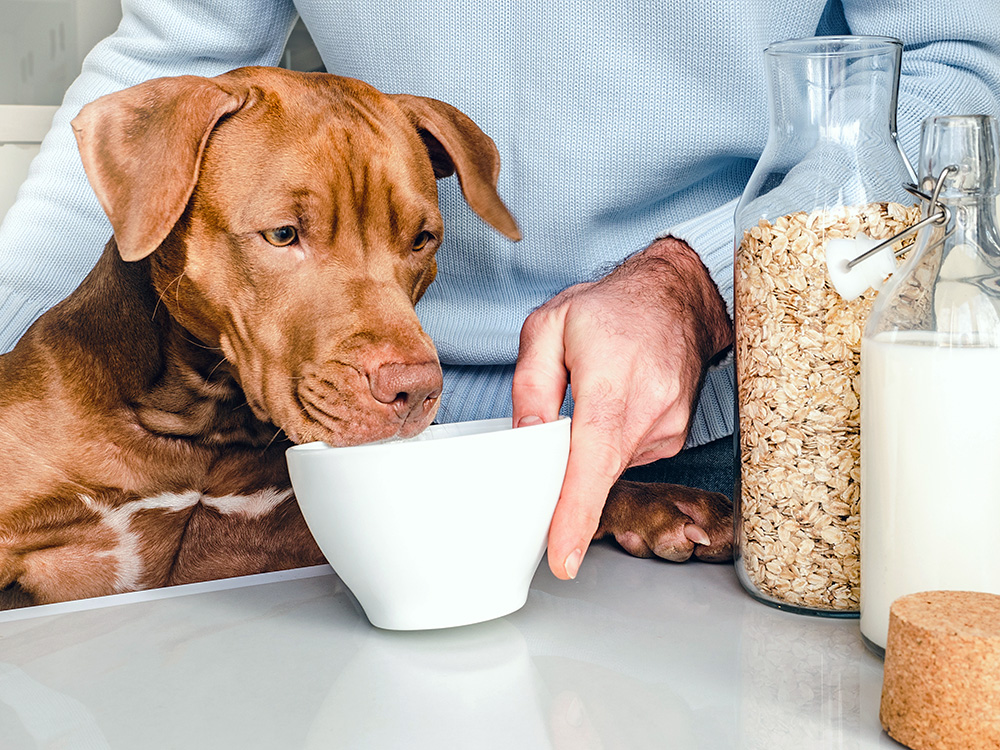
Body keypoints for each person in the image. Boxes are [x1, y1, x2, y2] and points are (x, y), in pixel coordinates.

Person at [1, 0, 998, 581]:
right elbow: (161, 66)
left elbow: (965, 64)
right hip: (395, 459)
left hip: (771, 421)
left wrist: (697, 279)